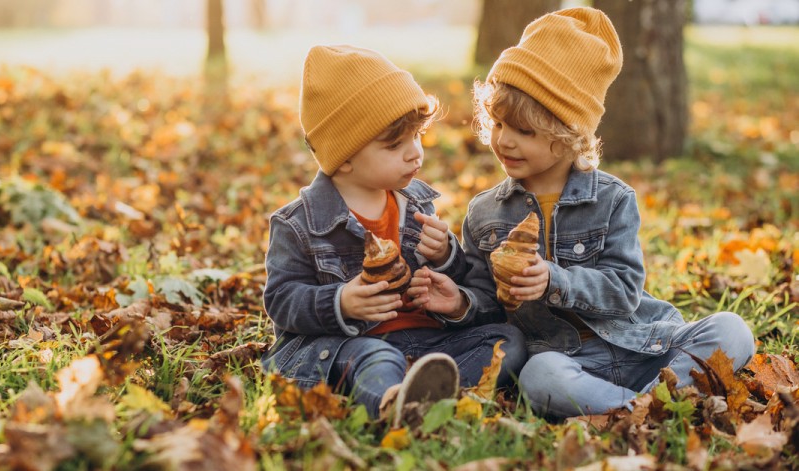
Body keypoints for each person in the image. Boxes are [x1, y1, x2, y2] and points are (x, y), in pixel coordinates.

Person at [425, 7, 755, 418]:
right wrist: (458, 302)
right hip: (567, 361)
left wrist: (554, 280)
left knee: (733, 330)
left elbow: (624, 289)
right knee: (538, 378)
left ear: (568, 135)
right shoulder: (484, 212)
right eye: (497, 123)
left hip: (643, 346)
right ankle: (645, 408)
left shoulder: (613, 199)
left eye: (523, 131)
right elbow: (489, 307)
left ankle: (646, 398)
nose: (504, 141)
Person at [262, 45, 526, 427]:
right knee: (376, 360)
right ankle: (390, 404)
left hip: (427, 341)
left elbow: (455, 279)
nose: (414, 154)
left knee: (507, 342)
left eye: (417, 136)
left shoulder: (416, 202)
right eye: (394, 145)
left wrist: (445, 257)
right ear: (344, 155)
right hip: (350, 345)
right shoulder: (299, 223)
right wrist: (342, 303)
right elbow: (281, 300)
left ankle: (429, 395)